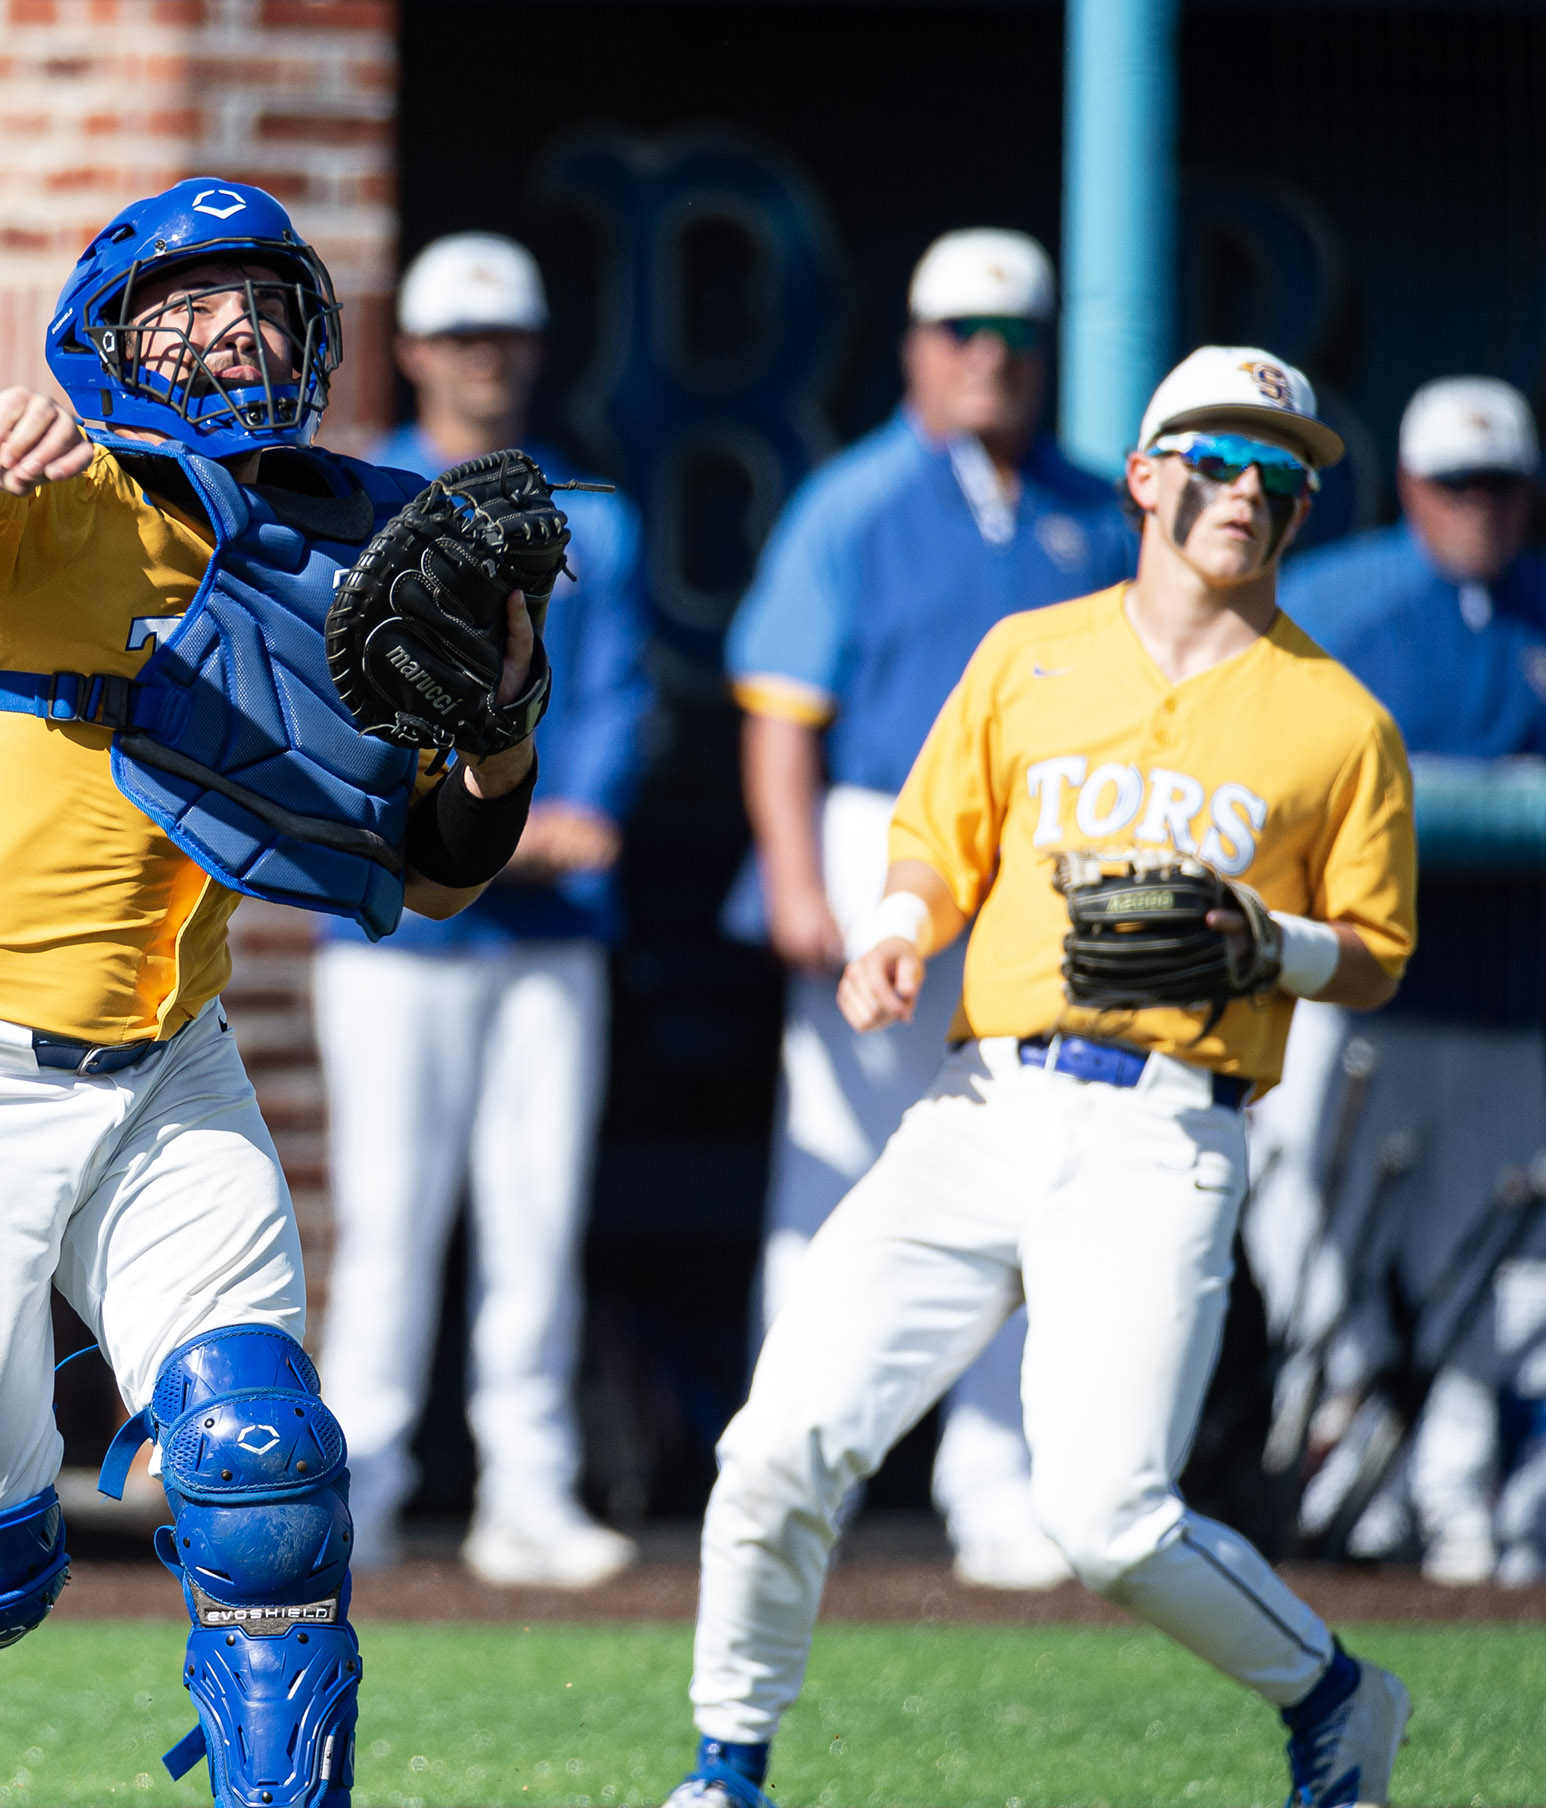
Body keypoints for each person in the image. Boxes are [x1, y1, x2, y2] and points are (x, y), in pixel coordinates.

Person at [0, 178, 544, 1808]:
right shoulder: (44, 498)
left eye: (267, 300)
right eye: (191, 302)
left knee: (262, 1459)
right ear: (106, 338)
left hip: (164, 1071)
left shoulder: (356, 537)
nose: (239, 329)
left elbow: (434, 868)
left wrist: (499, 718)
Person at [663, 347, 1416, 1808]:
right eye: (1216, 459)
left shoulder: (1338, 721)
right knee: (775, 1447)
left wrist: (1270, 945)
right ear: (1145, 477)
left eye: (1281, 474)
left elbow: (1375, 952)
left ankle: (1337, 1696)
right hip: (982, 1104)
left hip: (1163, 1134)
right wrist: (893, 933)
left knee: (1108, 1523)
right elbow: (938, 838)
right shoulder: (1030, 652)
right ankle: (726, 1767)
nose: (1246, 493)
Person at [722, 229, 1133, 1588]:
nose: (986, 358)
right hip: (869, 836)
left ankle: (990, 1474)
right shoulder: (853, 499)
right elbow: (783, 711)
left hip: (1040, 860)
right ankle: (791, 1465)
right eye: (960, 331)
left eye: (1010, 336)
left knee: (1022, 1170)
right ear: (912, 343)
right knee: (836, 1162)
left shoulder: (1088, 499)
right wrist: (789, 875)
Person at [313, 232, 653, 1588]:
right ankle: (364, 1494)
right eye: (461, 337)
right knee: (389, 1220)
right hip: (397, 922)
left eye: (502, 335)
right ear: (414, 348)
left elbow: (619, 695)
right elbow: (346, 698)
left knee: (534, 1214)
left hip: (551, 932)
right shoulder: (366, 495)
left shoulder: (601, 514)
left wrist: (577, 814)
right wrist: (455, 813)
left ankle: (528, 1488)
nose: (482, 359)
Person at [1259, 376, 1546, 1585]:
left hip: (1508, 995)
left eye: (1498, 486)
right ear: (1411, 486)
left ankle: (1465, 1496)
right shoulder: (1338, 600)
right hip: (1351, 986)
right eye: (1453, 483)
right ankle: (1340, 1490)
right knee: (1314, 1247)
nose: (1476, 506)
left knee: (1495, 1263)